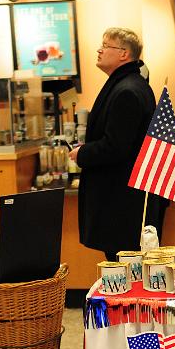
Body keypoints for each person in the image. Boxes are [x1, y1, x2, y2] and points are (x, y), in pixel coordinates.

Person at [69, 28, 167, 261]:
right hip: (125, 199)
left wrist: (83, 153)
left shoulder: (127, 91)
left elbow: (116, 146)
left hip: (122, 203)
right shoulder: (129, 84)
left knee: (125, 268)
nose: (99, 50)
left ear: (124, 54)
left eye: (106, 45)